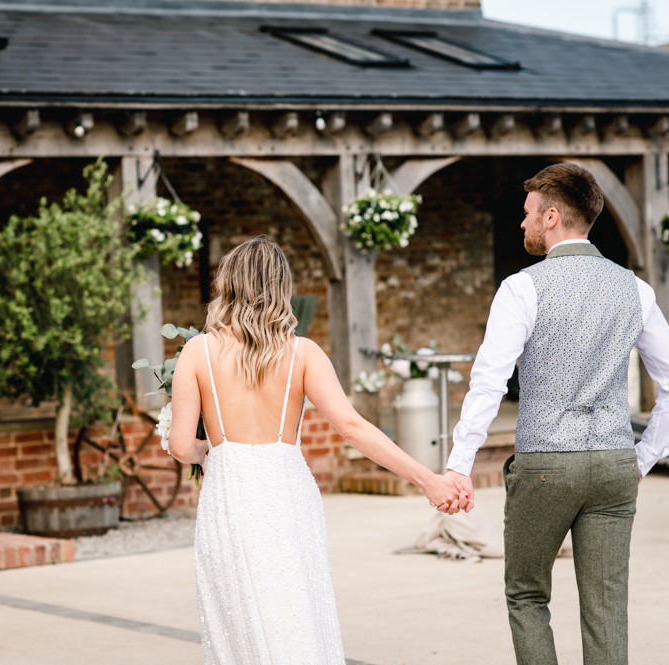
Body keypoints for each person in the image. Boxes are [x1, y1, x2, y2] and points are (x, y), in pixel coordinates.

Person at [168, 236, 469, 664]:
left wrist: (208, 451)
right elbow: (352, 427)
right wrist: (427, 479)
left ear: (229, 284)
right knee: (294, 612)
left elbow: (181, 446)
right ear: (280, 287)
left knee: (239, 621)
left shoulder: (197, 352)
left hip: (229, 499)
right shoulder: (303, 353)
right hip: (287, 496)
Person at [445, 163, 669, 665]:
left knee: (527, 594)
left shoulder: (522, 288)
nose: (522, 222)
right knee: (607, 610)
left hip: (546, 464)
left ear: (552, 216)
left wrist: (459, 463)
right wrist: (642, 458)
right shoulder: (635, 289)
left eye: (528, 213)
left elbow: (490, 382)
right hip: (614, 463)